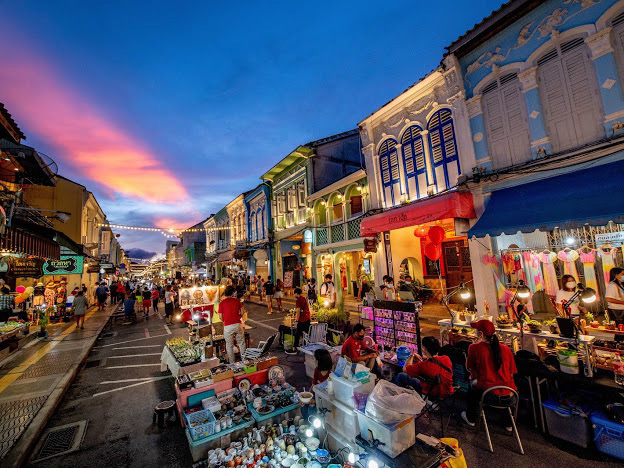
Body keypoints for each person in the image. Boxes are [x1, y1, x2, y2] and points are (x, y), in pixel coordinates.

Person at [462, 320, 518, 431]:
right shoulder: (506, 349)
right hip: (510, 396)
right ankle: (509, 423)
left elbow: (471, 371)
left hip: (489, 395)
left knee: (471, 385)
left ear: (480, 334)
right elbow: (512, 373)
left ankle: (472, 418)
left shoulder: (474, 348)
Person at [218, 285, 247, 363]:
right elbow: (242, 312)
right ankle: (244, 360)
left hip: (227, 326)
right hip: (237, 324)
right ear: (233, 293)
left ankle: (232, 363)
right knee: (241, 343)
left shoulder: (222, 303)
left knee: (229, 345)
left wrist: (225, 320)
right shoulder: (237, 301)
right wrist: (238, 317)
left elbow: (220, 316)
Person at [292, 287, 311, 352]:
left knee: (297, 334)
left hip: (302, 319)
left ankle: (295, 347)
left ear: (296, 293)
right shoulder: (304, 298)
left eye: (294, 294)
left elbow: (298, 311)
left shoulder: (298, 300)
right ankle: (305, 345)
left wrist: (296, 320)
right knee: (306, 332)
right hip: (307, 318)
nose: (294, 295)